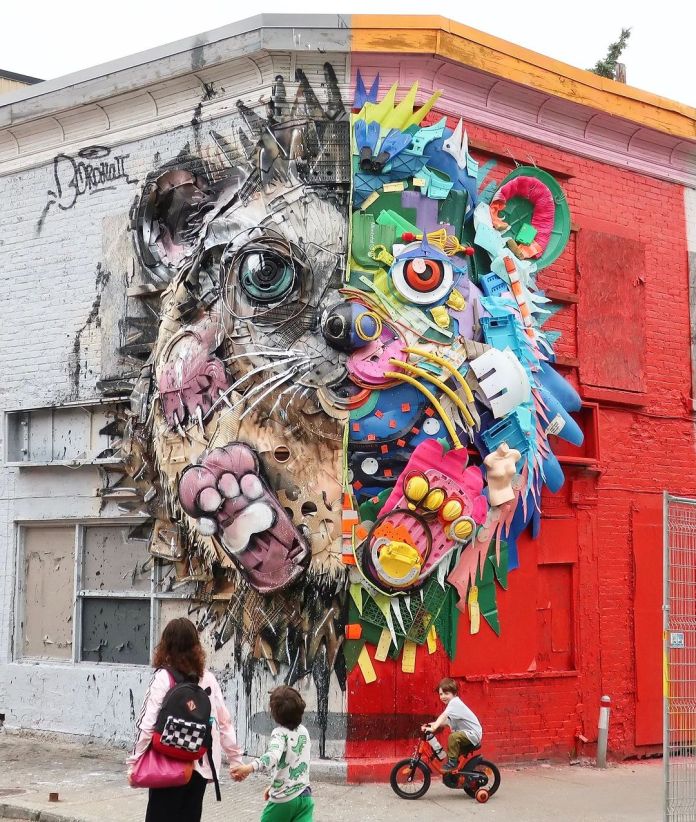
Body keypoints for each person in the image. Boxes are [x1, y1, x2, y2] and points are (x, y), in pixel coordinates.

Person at [127, 617, 243, 822]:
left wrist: (134, 762)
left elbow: (147, 724)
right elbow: (224, 722)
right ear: (196, 646)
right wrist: (235, 760)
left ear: (166, 646)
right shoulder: (207, 678)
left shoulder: (164, 677)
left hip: (167, 764)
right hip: (200, 767)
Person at [230, 686, 313, 821]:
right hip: (305, 797)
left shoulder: (279, 734)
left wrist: (248, 767)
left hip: (284, 801)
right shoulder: (303, 731)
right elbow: (296, 762)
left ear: (274, 714)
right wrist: (275, 784)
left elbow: (272, 757)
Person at [422, 677, 482, 772]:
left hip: (472, 734)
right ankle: (455, 774)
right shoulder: (453, 706)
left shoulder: (454, 703)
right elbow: (446, 722)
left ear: (454, 693)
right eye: (441, 694)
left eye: (446, 693)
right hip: (468, 734)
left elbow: (443, 716)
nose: (443, 696)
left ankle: (452, 764)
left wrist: (433, 727)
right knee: (451, 749)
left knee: (452, 738)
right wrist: (429, 725)